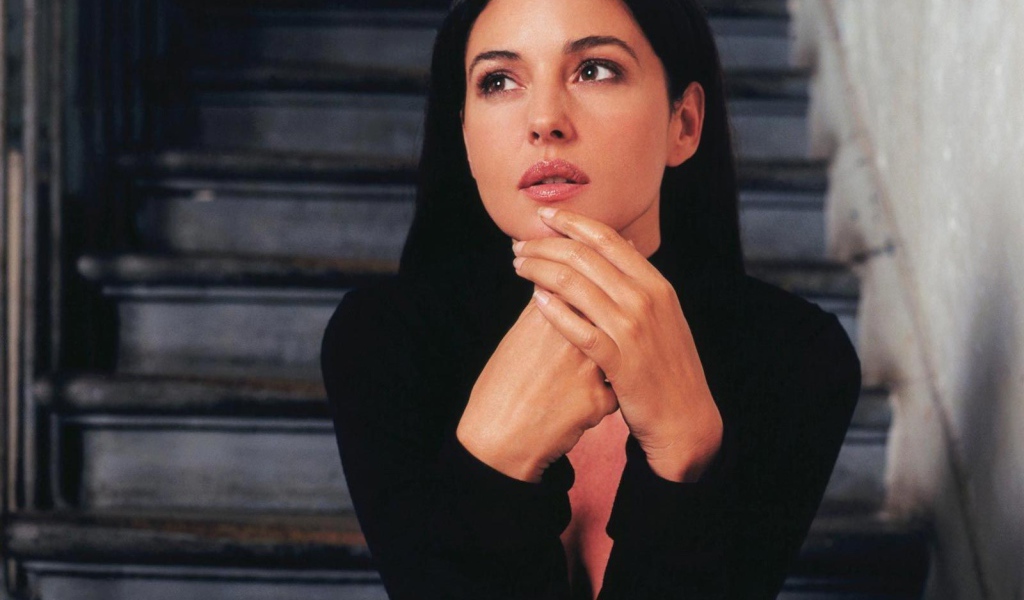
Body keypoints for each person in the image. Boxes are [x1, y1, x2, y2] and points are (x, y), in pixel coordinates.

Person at [320, 0, 861, 598]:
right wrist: (493, 461)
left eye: (595, 70)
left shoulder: (798, 357)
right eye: (498, 81)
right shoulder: (380, 342)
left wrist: (684, 450)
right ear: (466, 138)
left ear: (683, 124)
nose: (544, 120)